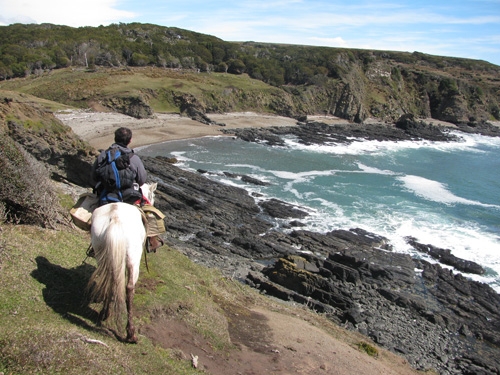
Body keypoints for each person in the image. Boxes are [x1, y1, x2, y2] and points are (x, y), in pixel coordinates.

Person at [90, 127, 165, 252]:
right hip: (128, 198)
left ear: (115, 138)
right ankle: (151, 240)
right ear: (129, 141)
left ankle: (94, 244)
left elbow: (93, 178)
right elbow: (142, 179)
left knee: (92, 216)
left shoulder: (103, 156)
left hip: (106, 197)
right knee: (148, 213)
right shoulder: (133, 158)